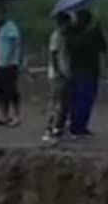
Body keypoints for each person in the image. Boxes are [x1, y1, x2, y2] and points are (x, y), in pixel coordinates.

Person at [67, 10, 106, 136]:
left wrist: (98, 33)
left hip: (88, 71)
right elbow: (75, 48)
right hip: (81, 71)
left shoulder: (88, 34)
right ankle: (76, 126)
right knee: (80, 100)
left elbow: (103, 47)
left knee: (86, 100)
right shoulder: (74, 34)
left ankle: (81, 126)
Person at [42, 13, 73, 142]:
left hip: (65, 72)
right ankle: (49, 129)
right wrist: (58, 71)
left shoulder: (65, 37)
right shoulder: (56, 36)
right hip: (58, 74)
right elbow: (53, 55)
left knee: (65, 103)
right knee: (56, 103)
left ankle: (58, 128)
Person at [0, 6, 22, 127]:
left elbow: (14, 44)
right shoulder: (1, 28)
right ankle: (4, 115)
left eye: (0, 14)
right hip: (0, 63)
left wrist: (8, 58)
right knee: (2, 91)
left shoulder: (11, 27)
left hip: (10, 64)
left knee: (11, 90)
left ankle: (17, 115)